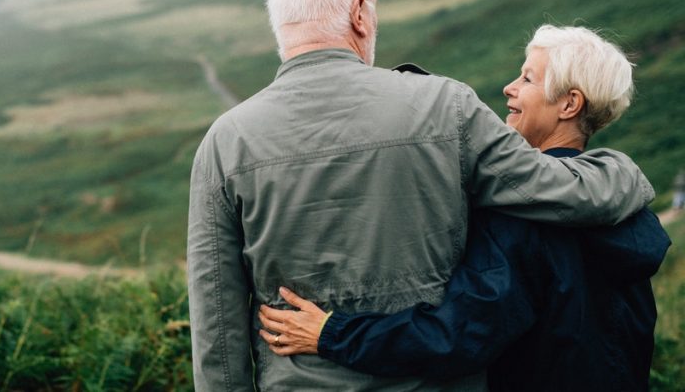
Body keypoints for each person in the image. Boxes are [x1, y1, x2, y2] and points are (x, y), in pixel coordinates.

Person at [187, 0, 655, 391]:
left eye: (528, 78)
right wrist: (625, 172)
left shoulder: (224, 143)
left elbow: (217, 328)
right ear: (360, 13)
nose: (513, 88)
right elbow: (558, 191)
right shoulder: (446, 107)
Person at [257, 25, 671, 391]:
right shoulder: (627, 211)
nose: (510, 87)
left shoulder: (524, 218)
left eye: (527, 78)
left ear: (569, 105)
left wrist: (332, 333)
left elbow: (457, 337)